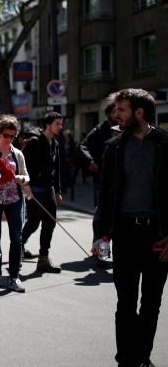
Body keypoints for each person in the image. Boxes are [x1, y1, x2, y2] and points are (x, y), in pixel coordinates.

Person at [93, 89, 168, 367]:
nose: (116, 115)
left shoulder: (165, 143)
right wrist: (103, 234)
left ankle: (142, 357)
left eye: (122, 110)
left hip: (158, 236)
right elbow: (106, 193)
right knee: (125, 302)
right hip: (125, 233)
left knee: (151, 303)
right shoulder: (113, 146)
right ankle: (126, 359)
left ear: (139, 112)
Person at [0, 115, 31, 292]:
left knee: (16, 238)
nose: (9, 139)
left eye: (13, 136)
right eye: (6, 135)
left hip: (14, 200)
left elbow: (27, 176)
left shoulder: (17, 154)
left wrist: (22, 179)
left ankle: (14, 277)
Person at [20, 112, 63, 273]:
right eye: (57, 123)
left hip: (49, 189)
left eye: (61, 123)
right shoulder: (34, 141)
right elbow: (20, 163)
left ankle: (43, 258)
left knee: (50, 223)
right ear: (48, 125)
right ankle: (19, 246)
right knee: (33, 223)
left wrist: (58, 191)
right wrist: (26, 184)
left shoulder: (56, 144)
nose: (60, 127)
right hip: (34, 190)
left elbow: (56, 168)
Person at [80, 100, 116, 268]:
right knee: (100, 215)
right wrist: (91, 162)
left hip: (122, 181)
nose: (119, 115)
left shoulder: (128, 128)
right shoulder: (99, 131)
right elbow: (84, 146)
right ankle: (100, 248)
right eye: (116, 111)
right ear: (108, 114)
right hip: (102, 179)